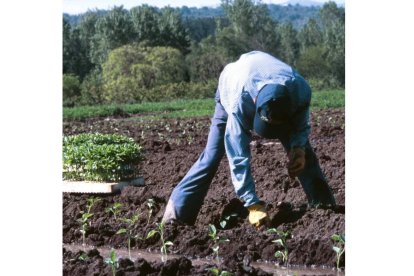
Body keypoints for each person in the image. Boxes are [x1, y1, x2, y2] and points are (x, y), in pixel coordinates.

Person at [162, 51, 336, 227]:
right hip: (231, 87)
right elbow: (238, 157)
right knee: (212, 155)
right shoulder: (239, 103)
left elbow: (301, 123)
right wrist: (251, 204)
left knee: (306, 157)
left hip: (271, 85)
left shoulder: (300, 90)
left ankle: (326, 211)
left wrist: (298, 148)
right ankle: (176, 215)